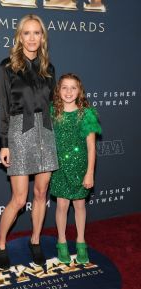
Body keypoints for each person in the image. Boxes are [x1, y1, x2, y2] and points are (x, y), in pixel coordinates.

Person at [0, 14, 58, 270]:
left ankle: (35, 241)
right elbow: (3, 107)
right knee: (19, 199)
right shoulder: (7, 66)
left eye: (37, 33)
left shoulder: (48, 68)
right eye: (27, 33)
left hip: (46, 131)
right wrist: (4, 143)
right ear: (19, 36)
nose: (32, 38)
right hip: (19, 132)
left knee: (41, 193)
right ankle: (0, 242)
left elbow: (53, 106)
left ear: (43, 37)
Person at [50, 73, 101, 264]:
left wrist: (89, 172)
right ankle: (61, 242)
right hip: (59, 167)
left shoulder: (86, 114)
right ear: (58, 90)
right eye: (64, 87)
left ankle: (81, 242)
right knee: (62, 205)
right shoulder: (52, 111)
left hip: (80, 167)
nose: (69, 91)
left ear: (79, 91)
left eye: (73, 88)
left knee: (79, 205)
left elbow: (91, 147)